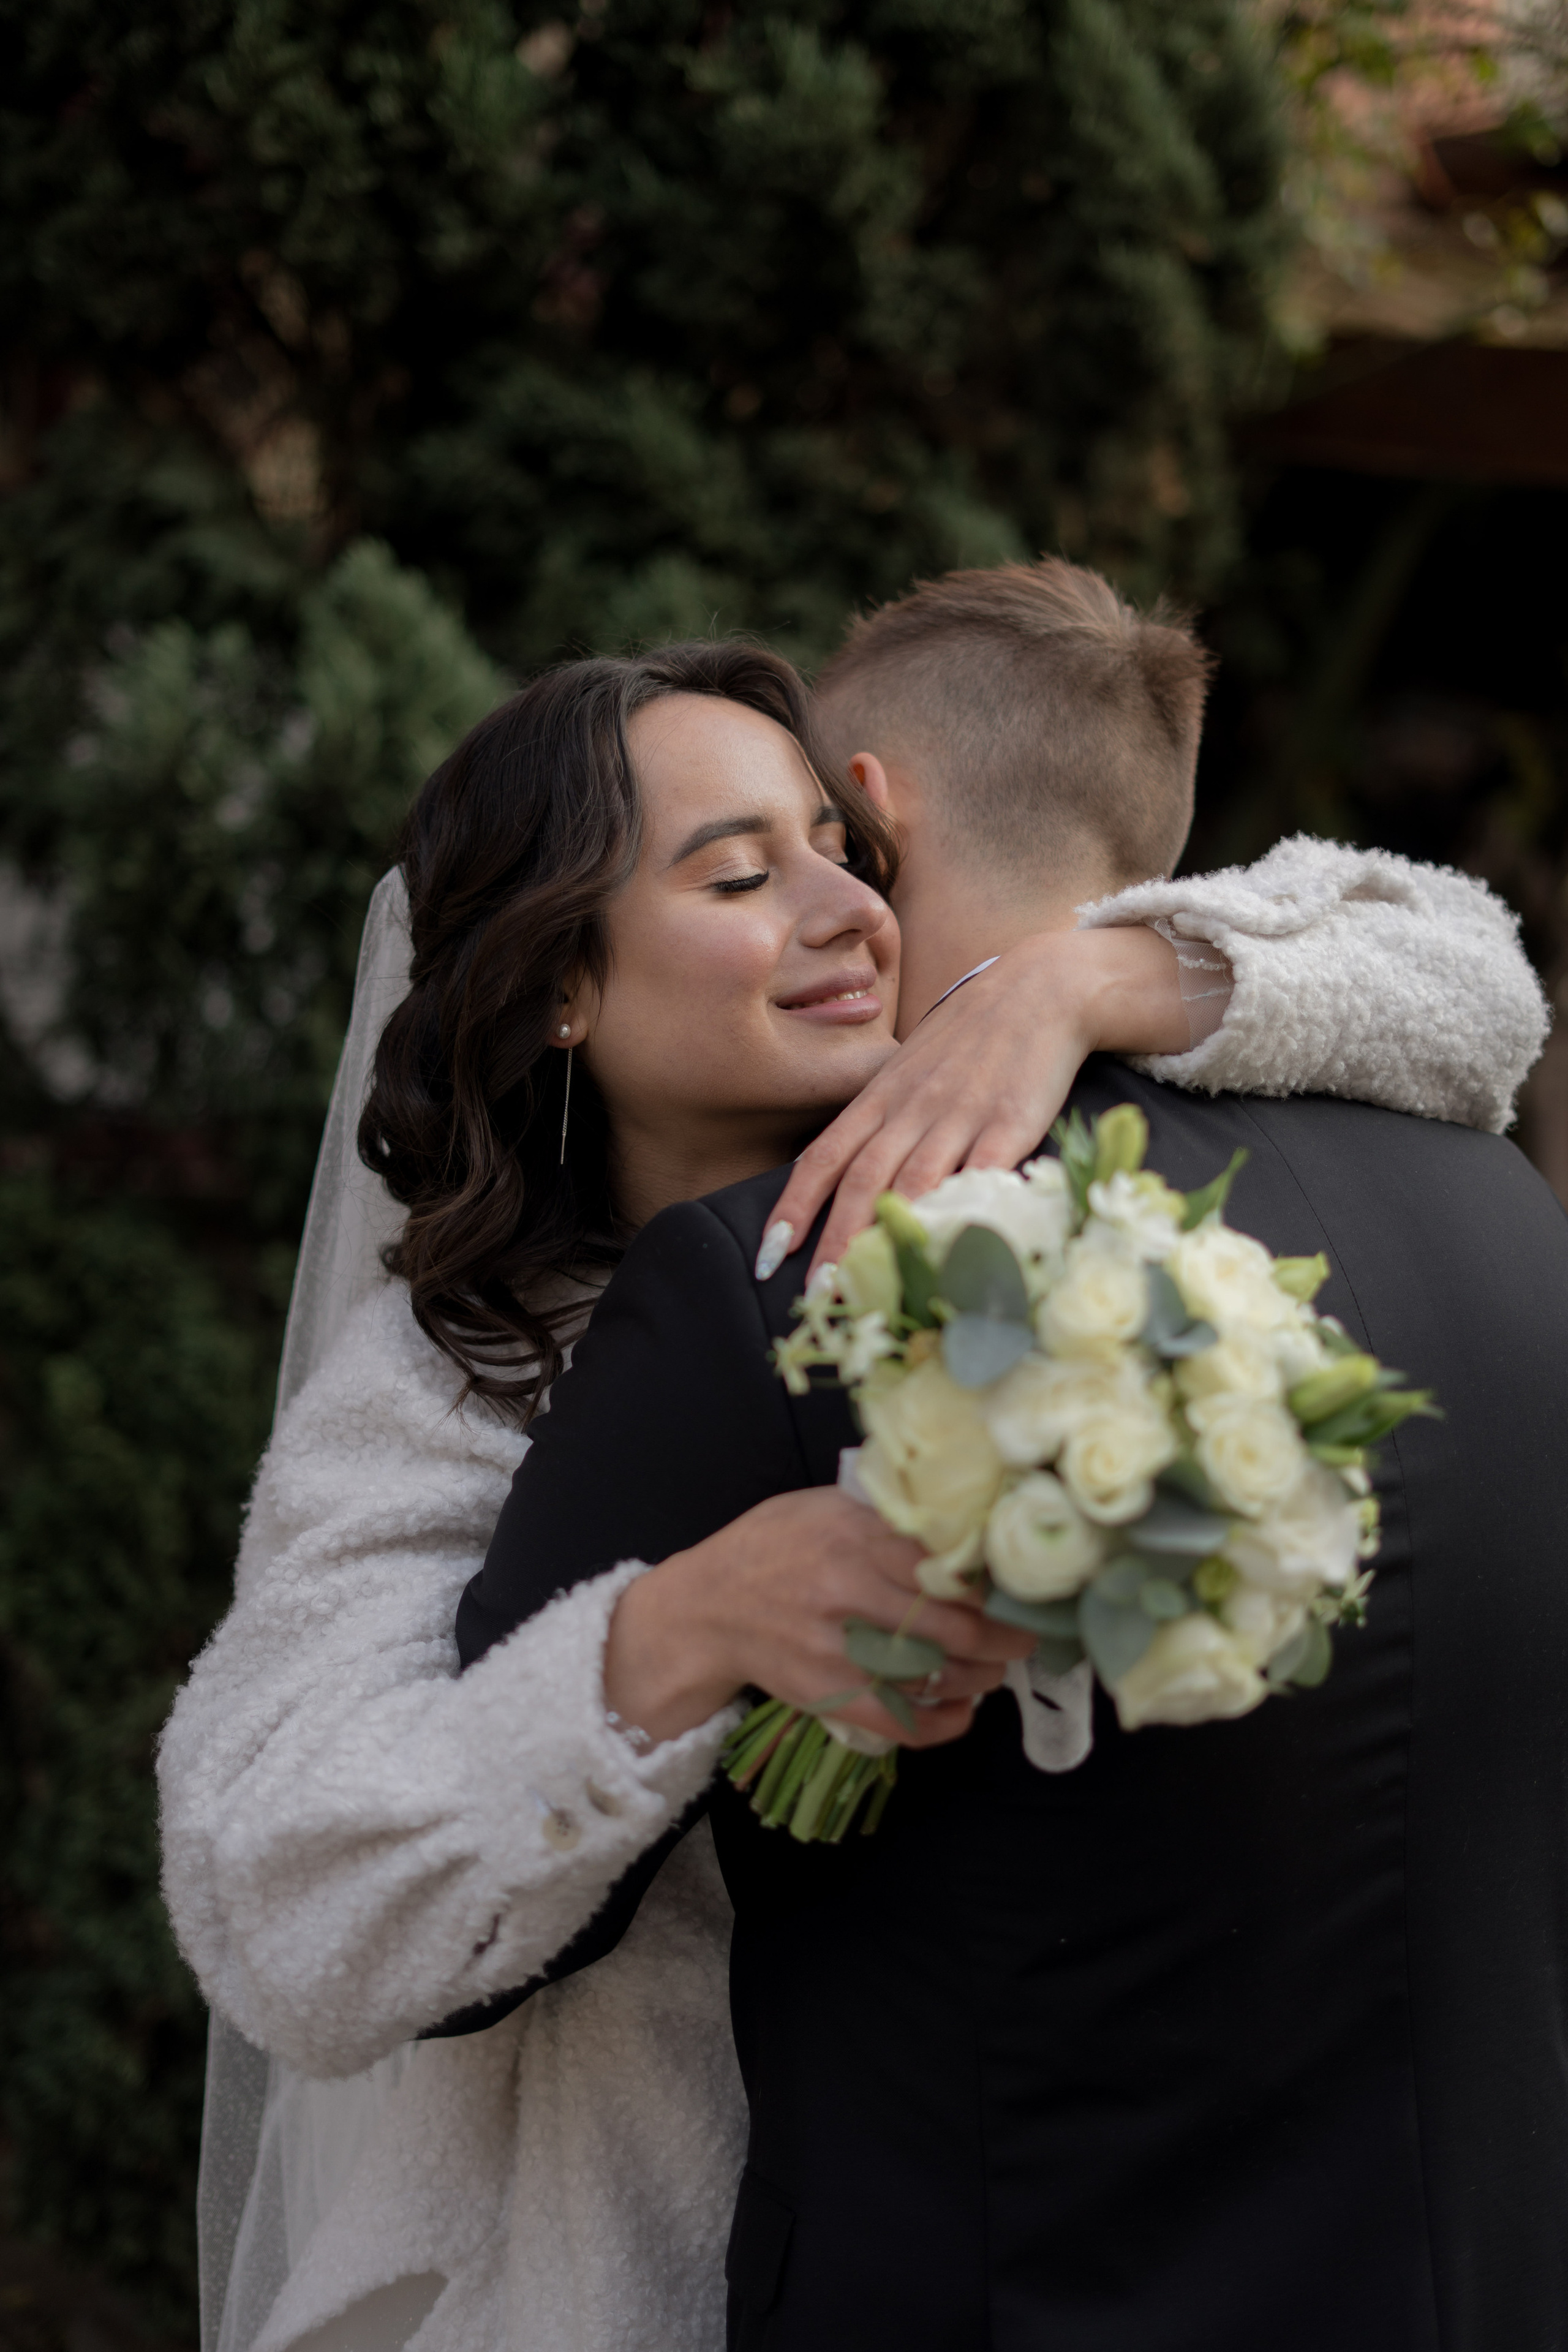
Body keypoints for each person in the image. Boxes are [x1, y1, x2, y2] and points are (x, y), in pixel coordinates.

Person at [158, 589, 1549, 2352]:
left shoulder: (983, 1240)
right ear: (562, 986)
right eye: (739, 879)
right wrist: (667, 1636)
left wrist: (1084, 970)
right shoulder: (449, 1388)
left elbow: (1462, 964)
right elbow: (276, 1902)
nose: (846, 913)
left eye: (848, 849)